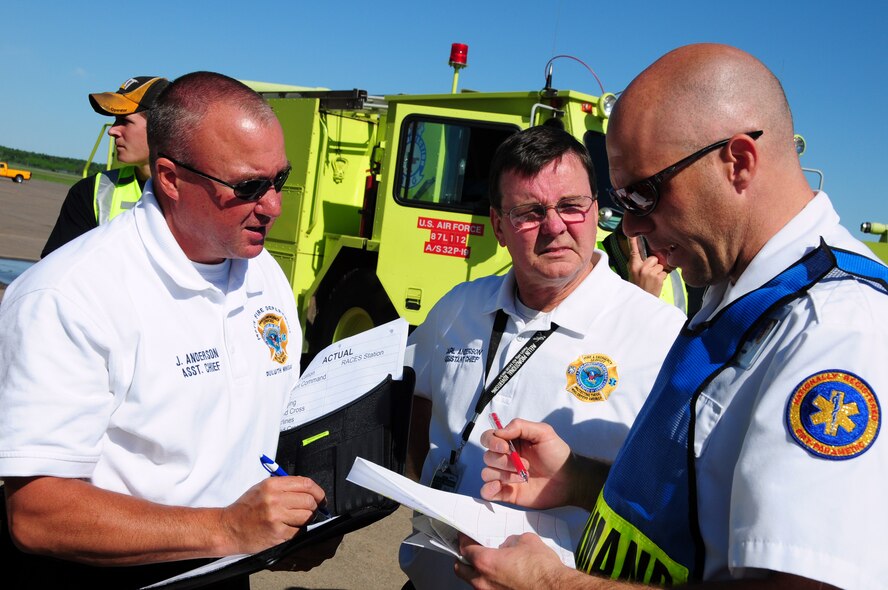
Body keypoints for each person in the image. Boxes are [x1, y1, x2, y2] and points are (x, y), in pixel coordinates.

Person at [456, 44, 888, 590]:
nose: (630, 228)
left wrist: (551, 584)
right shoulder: (739, 291)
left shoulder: (836, 330)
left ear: (737, 161)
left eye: (643, 194)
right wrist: (580, 480)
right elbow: (708, 508)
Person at [0, 72, 330, 588]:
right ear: (171, 178)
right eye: (248, 186)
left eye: (279, 180)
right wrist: (226, 528)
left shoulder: (263, 272)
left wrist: (297, 522)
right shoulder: (69, 295)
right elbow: (36, 513)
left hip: (225, 567)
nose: (273, 206)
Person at [399, 125, 687, 589]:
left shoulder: (660, 337)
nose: (555, 227)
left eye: (571, 207)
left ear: (596, 211)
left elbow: (674, 505)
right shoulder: (459, 307)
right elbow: (419, 407)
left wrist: (576, 481)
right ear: (497, 226)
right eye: (529, 212)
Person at [41, 75, 168, 258]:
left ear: (162, 128)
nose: (112, 130)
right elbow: (54, 269)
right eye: (115, 120)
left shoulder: (201, 197)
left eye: (125, 121)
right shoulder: (91, 192)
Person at [599, 219, 704, 317]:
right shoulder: (591, 269)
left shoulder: (673, 273)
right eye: (672, 247)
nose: (677, 262)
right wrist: (640, 300)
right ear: (637, 237)